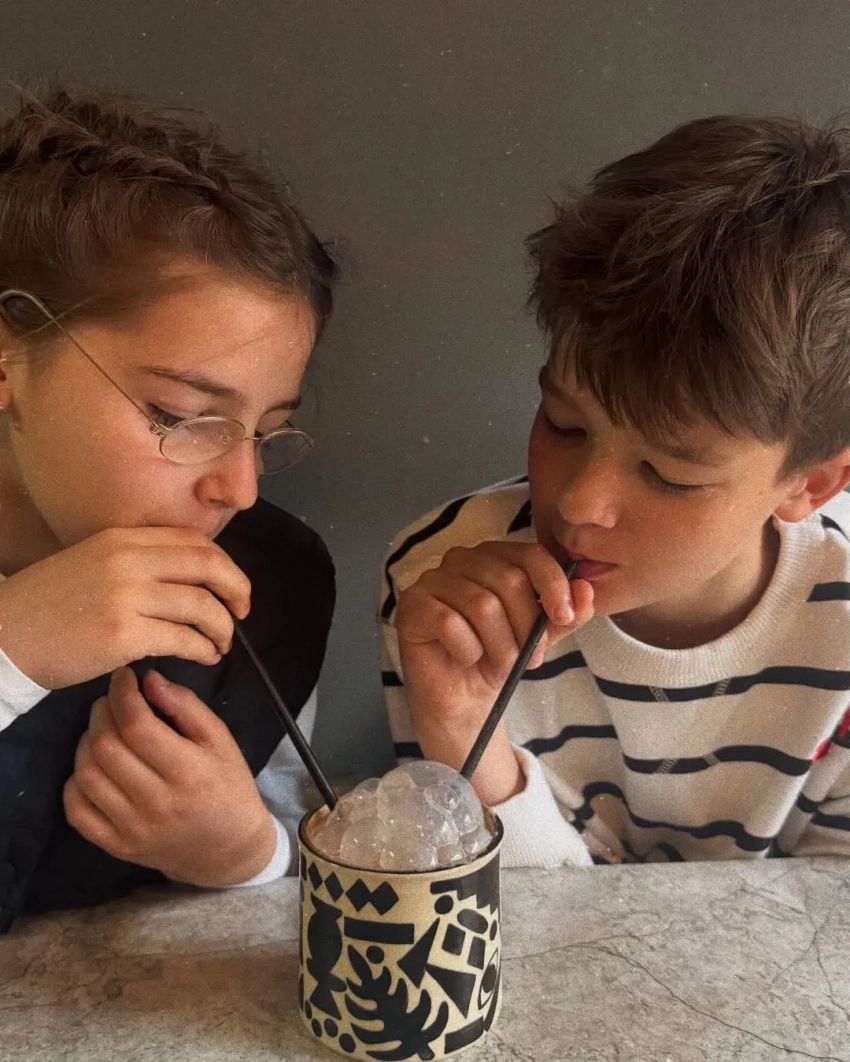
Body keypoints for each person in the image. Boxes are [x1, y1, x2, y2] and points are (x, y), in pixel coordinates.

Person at [381, 115, 850, 868]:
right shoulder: (446, 587)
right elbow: (493, 911)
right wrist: (466, 730)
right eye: (563, 424)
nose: (578, 505)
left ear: (812, 483)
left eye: (670, 475)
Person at [0, 87, 337, 932]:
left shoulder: (270, 587)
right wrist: (12, 650)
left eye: (267, 432)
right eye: (182, 418)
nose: (240, 488)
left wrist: (245, 854)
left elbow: (301, 844)